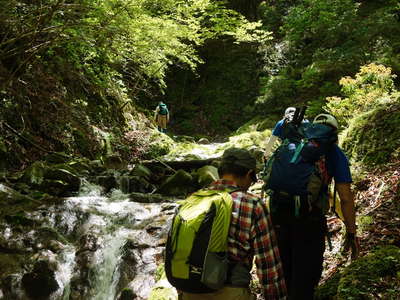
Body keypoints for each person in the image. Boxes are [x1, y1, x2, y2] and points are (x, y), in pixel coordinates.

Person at [269, 113, 360, 300]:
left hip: (278, 213)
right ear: (334, 132)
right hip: (309, 219)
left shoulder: (294, 145)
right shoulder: (333, 152)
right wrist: (351, 230)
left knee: (285, 268)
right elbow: (345, 197)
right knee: (306, 275)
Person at [181, 147, 287, 300]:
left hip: (189, 291)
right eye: (253, 179)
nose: (251, 184)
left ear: (220, 171)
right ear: (249, 174)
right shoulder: (252, 204)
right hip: (231, 291)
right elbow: (268, 266)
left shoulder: (192, 200)